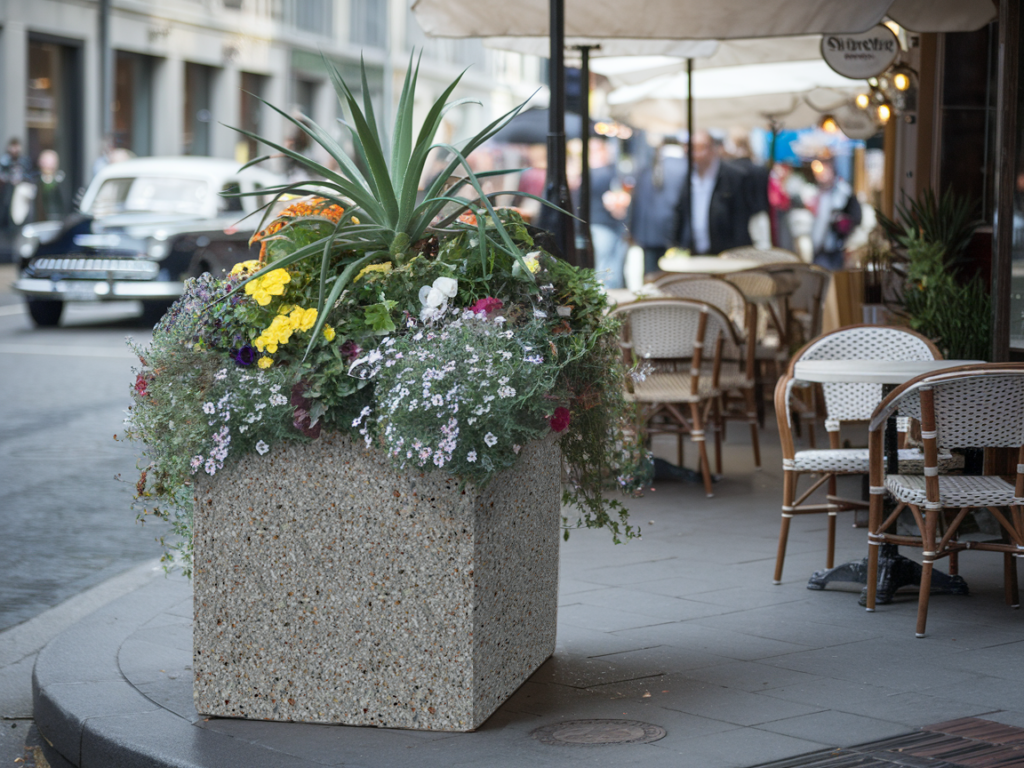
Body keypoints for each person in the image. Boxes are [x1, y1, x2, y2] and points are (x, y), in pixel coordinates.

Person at [673, 130, 752, 255]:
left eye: (696, 149)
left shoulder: (734, 176)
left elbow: (741, 219)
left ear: (710, 149)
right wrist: (676, 244)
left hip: (726, 254)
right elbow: (680, 212)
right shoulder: (689, 177)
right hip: (694, 252)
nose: (691, 154)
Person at [629, 135, 687, 277]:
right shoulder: (686, 167)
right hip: (675, 232)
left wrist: (632, 230)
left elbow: (636, 202)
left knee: (651, 279)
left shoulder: (647, 168)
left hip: (648, 232)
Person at [586, 138, 629, 289]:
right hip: (604, 226)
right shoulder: (604, 174)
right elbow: (613, 201)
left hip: (597, 225)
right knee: (607, 268)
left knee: (604, 266)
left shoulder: (588, 174)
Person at [809, 151, 861, 270]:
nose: (821, 175)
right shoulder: (820, 192)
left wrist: (842, 225)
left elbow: (856, 216)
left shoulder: (842, 190)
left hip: (834, 247)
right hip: (819, 246)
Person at [0, 137, 34, 230]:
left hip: (20, 193)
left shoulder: (24, 161)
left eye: (16, 146)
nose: (14, 149)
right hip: (7, 193)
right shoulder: (4, 161)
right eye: (12, 146)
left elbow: (30, 176)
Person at [37, 149, 68, 220]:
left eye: (52, 162)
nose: (49, 165)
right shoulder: (36, 182)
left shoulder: (61, 181)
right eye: (46, 161)